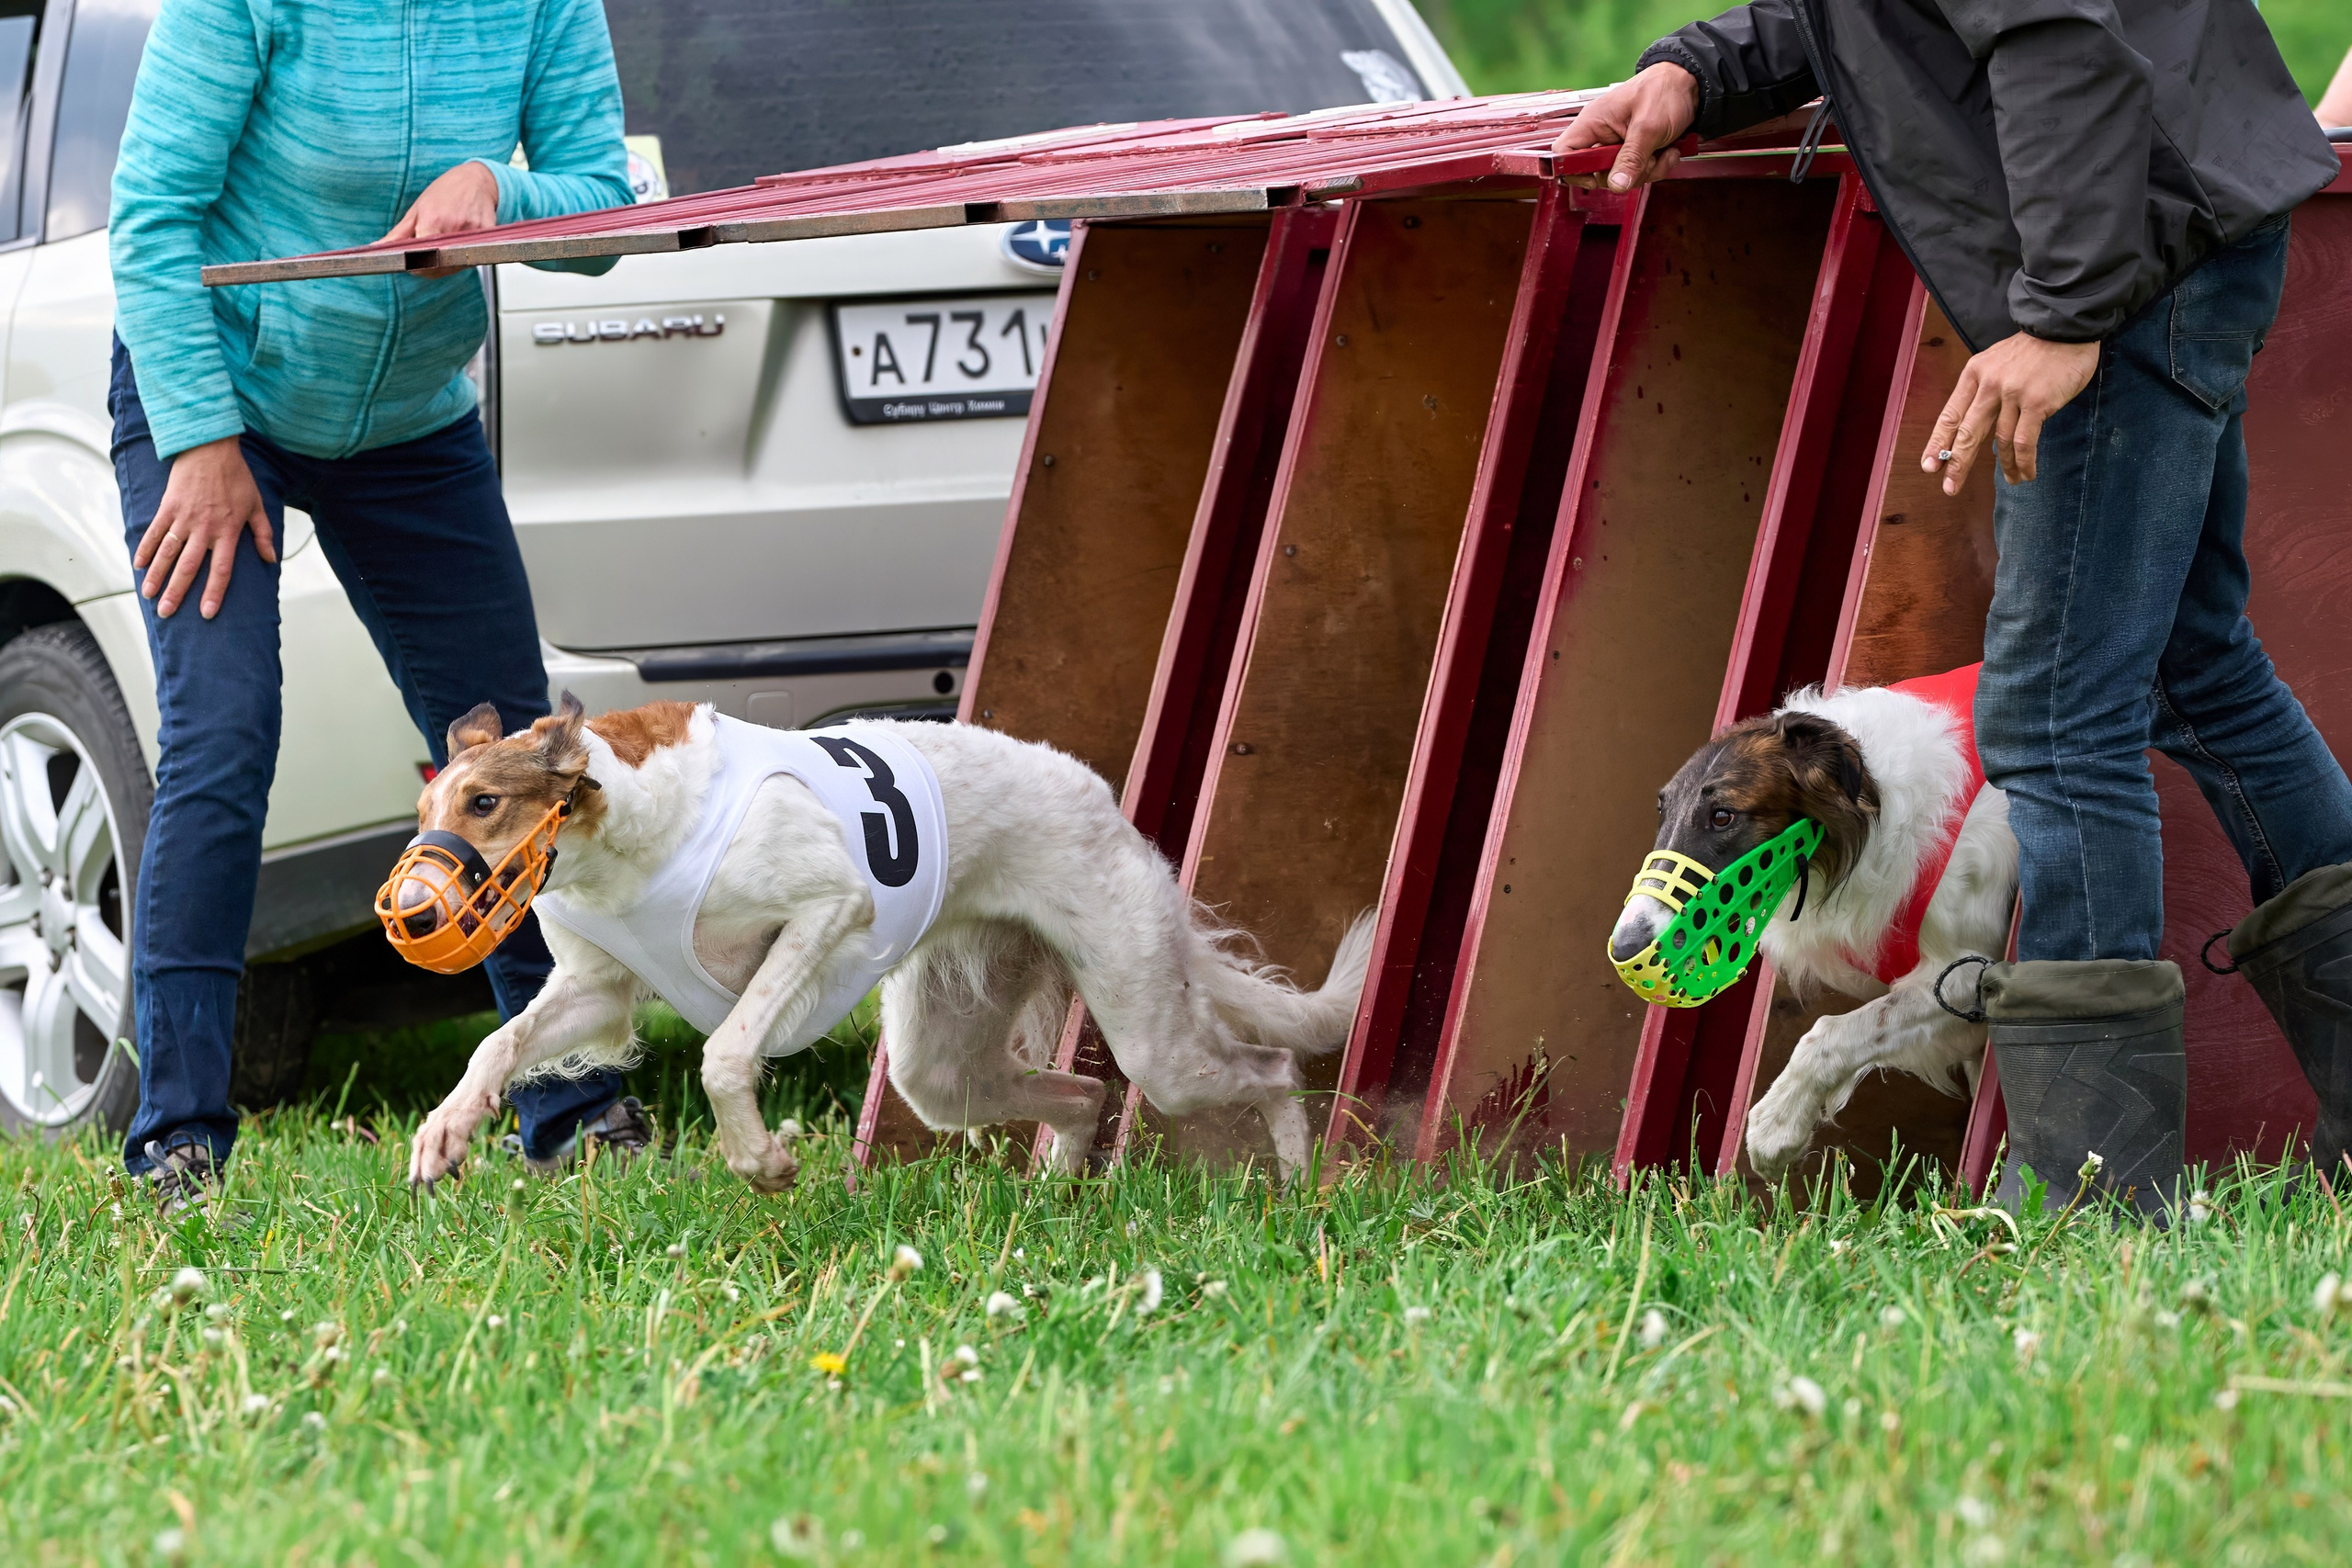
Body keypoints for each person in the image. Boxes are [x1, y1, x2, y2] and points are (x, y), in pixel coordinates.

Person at [1559, 3, 2352, 1213]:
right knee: (2198, 673)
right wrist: (1693, 71)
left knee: (2054, 720)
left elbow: (2055, 33)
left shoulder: (2089, 267)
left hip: (2125, 259)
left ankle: (2098, 1192)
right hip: (2171, 223)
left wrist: (2063, 312)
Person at [110, 0, 651, 1218]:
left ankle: (570, 1101)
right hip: (216, 393)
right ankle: (177, 1144)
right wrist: (199, 437)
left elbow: (604, 211)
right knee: (225, 735)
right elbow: (151, 219)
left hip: (408, 421)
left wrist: (495, 191)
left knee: (517, 755)